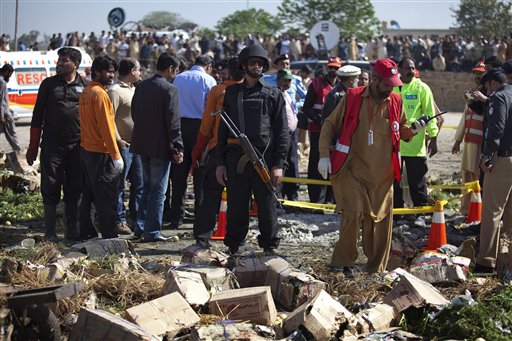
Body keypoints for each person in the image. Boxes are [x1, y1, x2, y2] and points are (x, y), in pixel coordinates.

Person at [318, 58, 425, 275]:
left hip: (383, 177)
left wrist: (413, 130)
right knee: (353, 213)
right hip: (352, 171)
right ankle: (343, 264)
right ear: (374, 80)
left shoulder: (395, 100)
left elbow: (401, 132)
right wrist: (323, 155)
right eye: (387, 84)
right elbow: (330, 124)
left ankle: (375, 269)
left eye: (393, 85)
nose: (390, 88)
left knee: (382, 225)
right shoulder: (353, 97)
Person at [216, 44, 289, 255]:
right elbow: (222, 131)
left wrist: (278, 165)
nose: (255, 66)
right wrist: (220, 162)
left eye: (259, 63)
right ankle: (235, 246)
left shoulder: (273, 94)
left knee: (267, 208)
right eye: (251, 63)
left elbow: (282, 133)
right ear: (243, 66)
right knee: (237, 206)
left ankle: (269, 247)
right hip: (236, 160)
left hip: (264, 161)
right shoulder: (231, 93)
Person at [27, 47, 89, 242]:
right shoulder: (48, 85)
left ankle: (71, 230)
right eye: (59, 60)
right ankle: (50, 232)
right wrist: (32, 146)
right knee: (51, 185)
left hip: (77, 146)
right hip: (52, 145)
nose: (59, 64)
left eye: (64, 61)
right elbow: (37, 117)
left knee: (74, 188)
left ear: (76, 65)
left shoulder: (86, 86)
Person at [191, 57, 244, 248]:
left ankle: (202, 238)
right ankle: (236, 241)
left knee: (211, 195)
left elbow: (206, 126)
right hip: (242, 154)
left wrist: (197, 152)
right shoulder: (249, 90)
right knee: (239, 197)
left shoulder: (217, 91)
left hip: (216, 150)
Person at [130, 52, 184, 242]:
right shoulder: (170, 89)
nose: (174, 74)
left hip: (141, 144)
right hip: (160, 147)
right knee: (158, 191)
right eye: (175, 71)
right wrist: (178, 147)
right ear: (170, 69)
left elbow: (134, 113)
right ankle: (151, 231)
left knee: (147, 187)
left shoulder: (141, 86)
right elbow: (173, 122)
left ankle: (141, 226)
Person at [169, 55, 216, 229]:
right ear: (208, 66)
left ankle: (176, 218)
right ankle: (199, 218)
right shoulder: (209, 80)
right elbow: (211, 108)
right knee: (200, 176)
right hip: (200, 128)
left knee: (179, 176)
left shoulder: (178, 78)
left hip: (179, 127)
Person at [78, 55, 122, 240]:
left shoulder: (86, 92)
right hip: (101, 153)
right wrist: (116, 155)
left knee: (88, 196)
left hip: (87, 151)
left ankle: (87, 233)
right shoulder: (100, 94)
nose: (111, 75)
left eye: (113, 72)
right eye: (108, 71)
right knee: (106, 198)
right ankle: (109, 237)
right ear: (97, 72)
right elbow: (107, 127)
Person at [474, 68, 512, 273]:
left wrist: (486, 156)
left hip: (502, 159)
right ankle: (507, 259)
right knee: (511, 213)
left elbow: (496, 128)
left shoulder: (498, 97)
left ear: (492, 84)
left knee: (492, 212)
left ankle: (486, 261)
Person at [393, 57, 439, 209]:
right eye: (407, 68)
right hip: (395, 145)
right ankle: (397, 212)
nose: (411, 71)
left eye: (413, 68)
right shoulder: (392, 87)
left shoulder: (422, 88)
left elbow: (430, 114)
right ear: (399, 69)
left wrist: (433, 137)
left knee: (417, 182)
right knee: (395, 181)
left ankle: (420, 213)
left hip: (416, 145)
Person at [108, 58, 142, 235]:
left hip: (137, 145)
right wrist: (118, 139)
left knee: (139, 184)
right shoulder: (115, 91)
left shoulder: (134, 89)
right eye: (138, 70)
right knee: (119, 185)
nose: (140, 73)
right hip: (124, 145)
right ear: (131, 71)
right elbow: (109, 118)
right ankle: (119, 220)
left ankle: (137, 218)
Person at [303, 56, 341, 203]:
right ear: (326, 68)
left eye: (336, 68)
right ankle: (316, 199)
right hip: (317, 131)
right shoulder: (316, 84)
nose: (333, 70)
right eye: (331, 67)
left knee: (335, 163)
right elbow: (307, 108)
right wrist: (322, 122)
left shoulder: (342, 86)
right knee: (316, 163)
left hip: (336, 133)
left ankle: (331, 199)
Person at [452, 61, 486, 215]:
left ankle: (478, 211)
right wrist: (458, 141)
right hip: (469, 143)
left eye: (481, 73)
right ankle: (465, 210)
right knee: (467, 175)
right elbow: (464, 118)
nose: (477, 76)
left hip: (481, 144)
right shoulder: (471, 95)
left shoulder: (488, 97)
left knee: (478, 177)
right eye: (476, 73)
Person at [0, 64, 25, 174]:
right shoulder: (2, 82)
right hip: (4, 114)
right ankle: (19, 153)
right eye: (10, 74)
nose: (10, 76)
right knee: (12, 134)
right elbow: (1, 100)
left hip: (5, 111)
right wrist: (2, 115)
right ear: (6, 72)